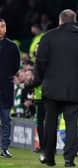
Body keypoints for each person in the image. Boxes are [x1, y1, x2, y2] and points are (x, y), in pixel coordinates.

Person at [34, 9, 78, 167]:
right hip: (73, 90)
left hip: (51, 88)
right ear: (74, 21)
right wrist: (77, 81)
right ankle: (69, 160)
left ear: (60, 21)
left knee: (50, 123)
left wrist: (42, 80)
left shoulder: (48, 37)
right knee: (71, 125)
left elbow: (40, 63)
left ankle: (49, 157)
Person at [0, 18, 20, 157]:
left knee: (6, 120)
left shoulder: (12, 46)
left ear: (5, 28)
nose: (1, 29)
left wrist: (6, 76)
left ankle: (4, 148)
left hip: (5, 88)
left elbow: (16, 66)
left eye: (2, 26)